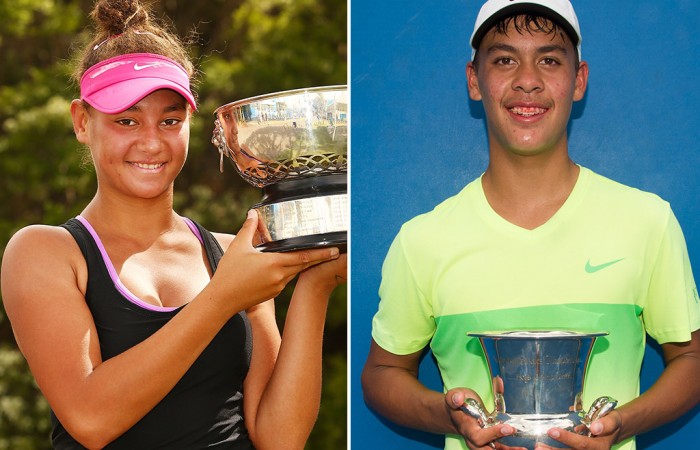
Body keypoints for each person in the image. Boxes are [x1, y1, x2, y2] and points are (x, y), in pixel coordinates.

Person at [0, 0, 346, 448]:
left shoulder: (234, 251)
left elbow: (280, 439)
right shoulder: (44, 252)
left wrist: (315, 286)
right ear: (82, 122)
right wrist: (223, 297)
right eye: (126, 120)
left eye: (169, 120)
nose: (151, 142)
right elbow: (90, 418)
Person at [361, 1, 700, 450]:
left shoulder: (647, 221)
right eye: (504, 60)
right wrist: (448, 415)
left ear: (578, 80)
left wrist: (621, 425)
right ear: (473, 81)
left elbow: (692, 358)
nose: (527, 80)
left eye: (549, 60)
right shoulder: (421, 240)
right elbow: (383, 374)